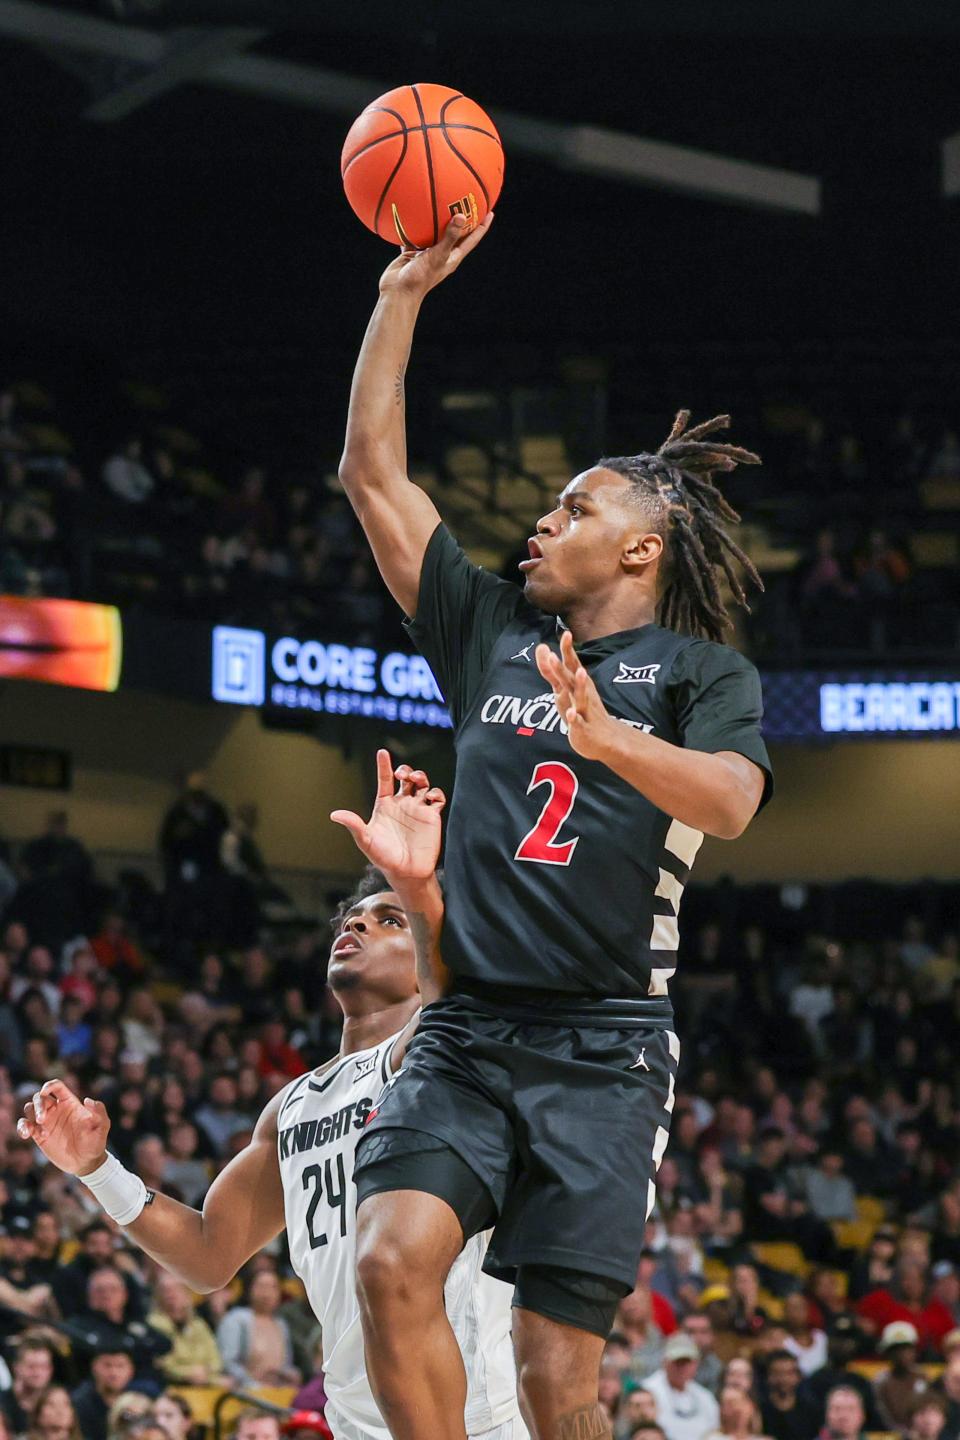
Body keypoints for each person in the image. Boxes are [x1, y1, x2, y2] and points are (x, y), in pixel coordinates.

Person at [338, 212, 772, 1440]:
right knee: (387, 1263)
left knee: (554, 1385)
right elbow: (373, 475)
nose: (541, 520)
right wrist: (401, 295)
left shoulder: (697, 673)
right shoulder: (489, 634)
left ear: (640, 544)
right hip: (467, 1027)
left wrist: (611, 741)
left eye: (571, 509)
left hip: (605, 1045)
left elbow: (734, 803)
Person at [17, 753, 526, 1440]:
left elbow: (453, 1006)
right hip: (356, 1416)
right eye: (352, 918)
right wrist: (96, 1170)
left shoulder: (441, 1051)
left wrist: (415, 884)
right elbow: (206, 1254)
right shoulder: (295, 1105)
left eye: (388, 921)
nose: (357, 925)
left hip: (478, 1412)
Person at [216, 1269, 300, 1388]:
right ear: (250, 1289)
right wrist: (253, 1384)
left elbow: (286, 1364)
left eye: (273, 1287)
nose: (266, 1293)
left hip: (277, 1392)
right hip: (245, 1393)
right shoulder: (236, 1320)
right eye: (261, 1286)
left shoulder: (281, 1324)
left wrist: (289, 1374)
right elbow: (227, 1363)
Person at [147, 1275, 224, 1386]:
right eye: (165, 1291)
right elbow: (162, 1364)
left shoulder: (198, 1324)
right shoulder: (153, 1324)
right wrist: (188, 1374)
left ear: (186, 1294)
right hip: (171, 1384)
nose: (171, 1295)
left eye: (176, 1289)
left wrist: (207, 1371)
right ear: (158, 1296)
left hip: (206, 1379)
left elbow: (215, 1358)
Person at [642, 1335, 720, 1440]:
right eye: (677, 1362)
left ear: (696, 1364)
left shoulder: (705, 1396)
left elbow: (715, 1430)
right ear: (665, 1362)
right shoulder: (648, 1390)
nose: (682, 1367)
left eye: (687, 1362)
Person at [873, 1322, 928, 1431]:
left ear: (914, 1351)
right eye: (896, 1349)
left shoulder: (923, 1378)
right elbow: (882, 1416)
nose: (902, 1354)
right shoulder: (880, 1382)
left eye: (907, 1348)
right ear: (887, 1353)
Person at [70, 1351, 137, 1440]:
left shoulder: (138, 1401)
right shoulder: (78, 1403)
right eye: (107, 1365)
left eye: (120, 1366)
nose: (114, 1373)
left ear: (131, 1370)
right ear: (94, 1368)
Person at [0, 1333, 57, 1433]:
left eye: (43, 1367)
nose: (37, 1373)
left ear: (51, 1369)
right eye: (31, 1367)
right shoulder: (2, 1403)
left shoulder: (59, 1403)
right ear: (16, 1368)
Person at [759, 1350, 818, 1440]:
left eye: (789, 1373)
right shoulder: (758, 1409)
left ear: (798, 1376)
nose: (784, 1379)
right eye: (777, 1373)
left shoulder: (811, 1410)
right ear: (768, 1376)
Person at [681, 1313, 722, 1396]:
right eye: (691, 1332)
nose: (697, 1337)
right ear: (680, 1334)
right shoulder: (666, 1365)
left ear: (713, 1336)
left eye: (703, 1332)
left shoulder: (718, 1369)